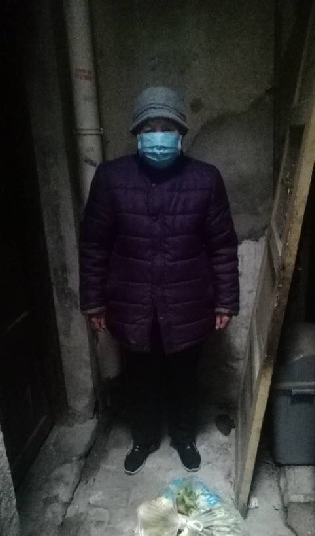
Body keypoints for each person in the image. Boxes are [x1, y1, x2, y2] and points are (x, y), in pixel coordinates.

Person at [79, 86, 239, 475]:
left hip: (188, 300)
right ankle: (144, 438)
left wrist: (225, 301)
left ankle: (184, 437)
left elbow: (221, 245)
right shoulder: (111, 178)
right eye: (150, 128)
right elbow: (95, 244)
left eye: (166, 127)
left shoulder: (205, 179)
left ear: (180, 132)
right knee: (141, 376)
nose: (158, 136)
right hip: (132, 301)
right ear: (137, 133)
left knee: (185, 375)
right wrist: (94, 301)